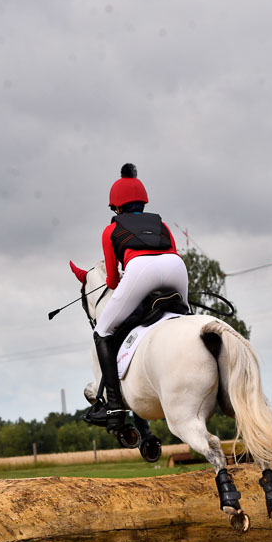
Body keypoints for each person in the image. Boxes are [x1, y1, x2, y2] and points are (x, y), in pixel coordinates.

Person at [85, 163, 189, 432]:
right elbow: (171, 254)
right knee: (185, 320)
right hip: (177, 268)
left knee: (103, 331)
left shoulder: (110, 230)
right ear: (143, 201)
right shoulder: (161, 223)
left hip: (140, 271)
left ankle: (115, 405)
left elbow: (111, 280)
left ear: (115, 206)